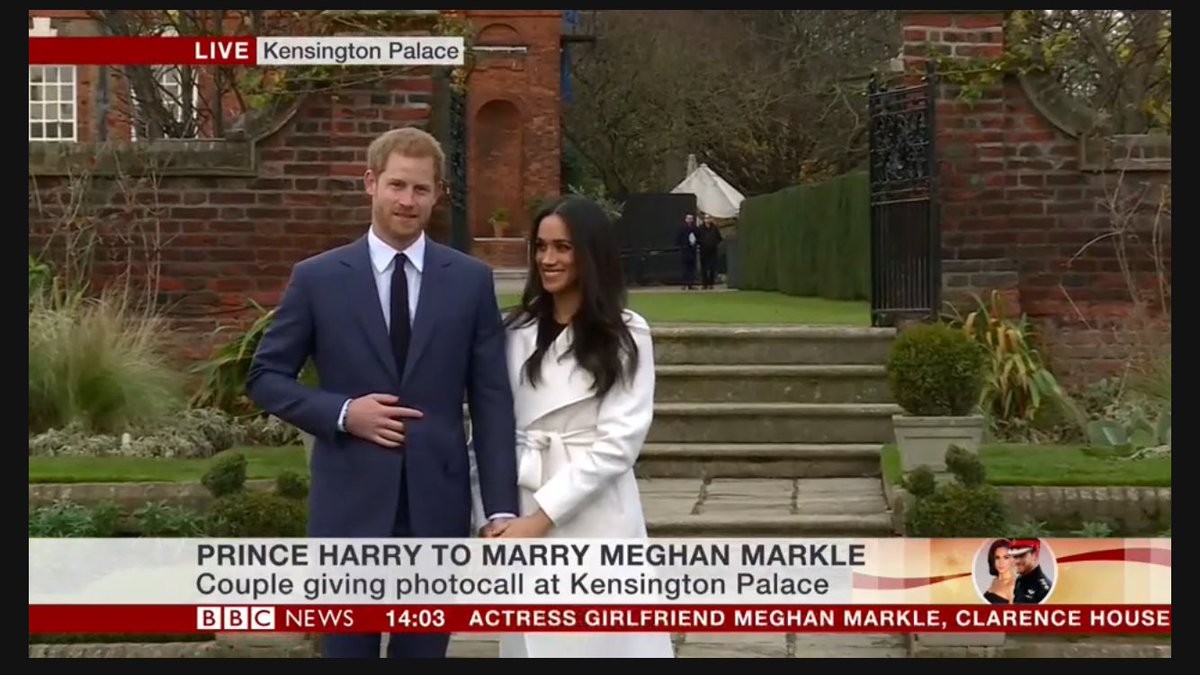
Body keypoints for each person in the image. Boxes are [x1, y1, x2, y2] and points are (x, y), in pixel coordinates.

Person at [246, 127, 520, 659]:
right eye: (396, 185)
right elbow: (265, 377)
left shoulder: (469, 281)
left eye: (420, 189)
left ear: (438, 193)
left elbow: (491, 401)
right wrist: (345, 413)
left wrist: (501, 508)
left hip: (436, 509)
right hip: (348, 509)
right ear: (370, 183)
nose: (407, 201)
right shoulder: (317, 278)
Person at [473, 194, 676, 658]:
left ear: (590, 253)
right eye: (541, 247)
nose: (548, 259)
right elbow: (490, 427)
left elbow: (618, 443)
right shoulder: (514, 330)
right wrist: (492, 513)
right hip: (522, 500)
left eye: (563, 247)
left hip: (593, 514)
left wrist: (539, 519)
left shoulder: (626, 334)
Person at [1010, 539, 1053, 604]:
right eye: (1014, 556)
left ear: (1035, 554)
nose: (1016, 561)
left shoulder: (1044, 590)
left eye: (1022, 555)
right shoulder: (1019, 580)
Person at [982, 539, 1015, 604]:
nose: (1001, 562)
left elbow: (1014, 613)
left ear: (1012, 559)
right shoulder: (995, 580)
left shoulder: (1013, 586)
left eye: (1006, 557)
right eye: (997, 557)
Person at [696, 215, 722, 289]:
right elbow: (697, 238)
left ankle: (711, 283)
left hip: (713, 251)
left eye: (709, 218)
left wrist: (714, 243)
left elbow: (719, 238)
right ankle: (704, 284)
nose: (707, 220)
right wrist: (701, 243)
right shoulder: (700, 228)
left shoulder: (714, 228)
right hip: (703, 251)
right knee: (704, 268)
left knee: (712, 267)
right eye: (706, 218)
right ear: (704, 219)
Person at [675, 213, 698, 289]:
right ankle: (684, 284)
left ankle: (690, 284)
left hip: (692, 251)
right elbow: (677, 239)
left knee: (691, 268)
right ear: (685, 219)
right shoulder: (681, 228)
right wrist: (682, 246)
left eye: (691, 218)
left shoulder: (695, 228)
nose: (690, 220)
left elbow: (698, 237)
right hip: (685, 251)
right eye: (688, 218)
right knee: (685, 268)